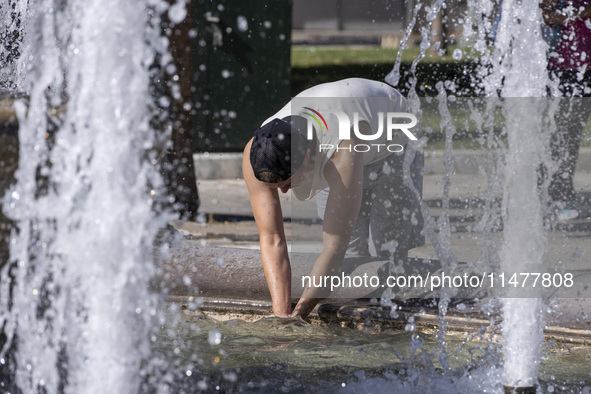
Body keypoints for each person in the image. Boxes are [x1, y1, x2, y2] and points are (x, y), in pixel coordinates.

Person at [242, 78, 424, 318]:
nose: (284, 192)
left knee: (390, 252)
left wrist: (301, 313)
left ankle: (393, 321)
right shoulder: (256, 152)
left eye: (287, 183)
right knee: (352, 252)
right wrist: (281, 315)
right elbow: (272, 239)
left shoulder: (339, 150)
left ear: (307, 157)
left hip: (394, 140)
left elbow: (332, 247)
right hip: (347, 128)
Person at [540, 0, 591, 220]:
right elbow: (545, 14)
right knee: (562, 135)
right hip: (565, 69)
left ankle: (559, 196)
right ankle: (555, 199)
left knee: (570, 134)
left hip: (583, 68)